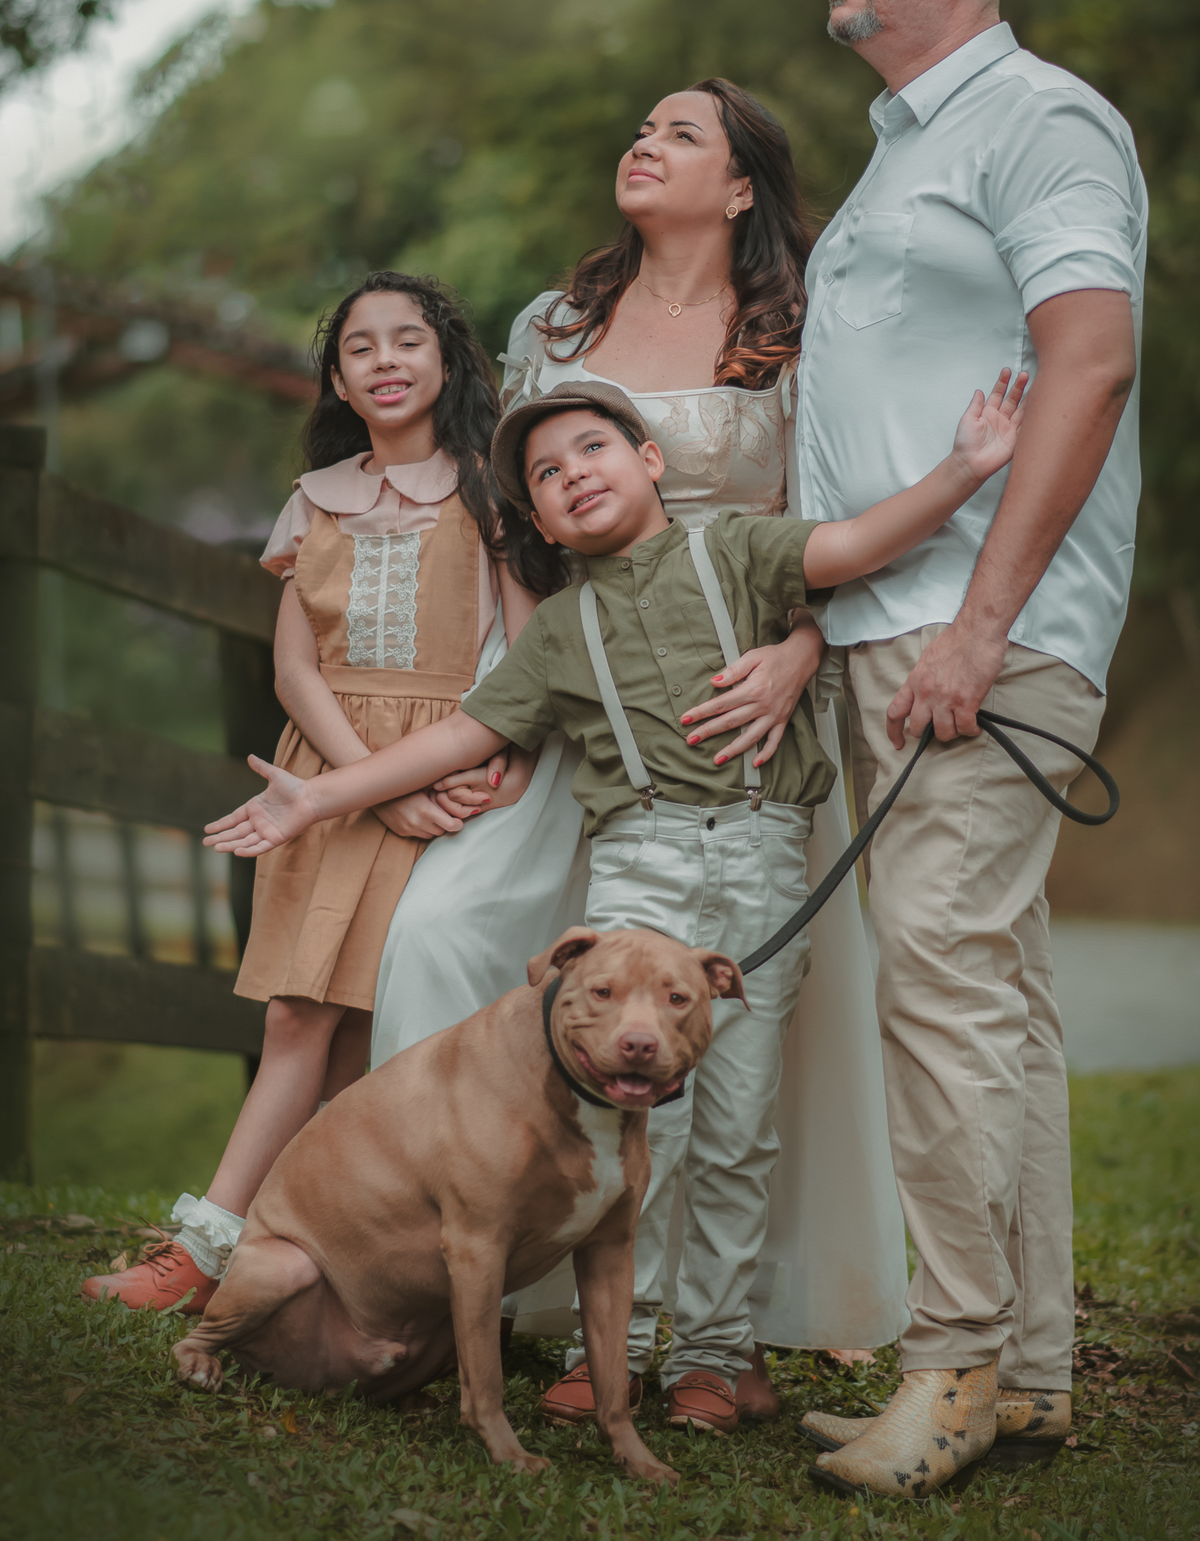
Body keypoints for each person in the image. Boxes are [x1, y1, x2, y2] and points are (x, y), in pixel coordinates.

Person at [204, 370, 1029, 1434]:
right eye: (545, 475)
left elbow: (855, 549)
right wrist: (317, 796)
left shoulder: (736, 553)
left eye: (591, 450)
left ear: (648, 461)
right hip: (640, 863)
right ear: (538, 520)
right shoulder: (557, 633)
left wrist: (964, 469)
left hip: (766, 858)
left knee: (737, 1126)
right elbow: (463, 737)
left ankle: (715, 1356)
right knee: (640, 1123)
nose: (570, 477)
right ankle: (621, 1349)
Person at [369, 77, 908, 1403]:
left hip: (746, 695)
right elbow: (515, 516)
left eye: (682, 133)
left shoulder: (800, 328)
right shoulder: (558, 322)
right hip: (575, 677)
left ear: (739, 186)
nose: (644, 143)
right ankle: (456, 1278)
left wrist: (804, 653)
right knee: (445, 927)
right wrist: (506, 684)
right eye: (643, 126)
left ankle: (712, 1337)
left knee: (727, 1040)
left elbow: (832, 513)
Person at [794, 0, 1146, 1498]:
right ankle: (1030, 1373)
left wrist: (984, 620)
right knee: (988, 991)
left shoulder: (1042, 121)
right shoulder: (900, 158)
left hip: (975, 635)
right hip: (905, 626)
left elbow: (1092, 359)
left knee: (936, 977)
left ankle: (950, 1369)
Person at [82, 271, 536, 1313]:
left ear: (451, 360)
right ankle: (201, 1250)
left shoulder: (490, 490)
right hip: (325, 766)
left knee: (378, 1026)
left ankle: (328, 1259)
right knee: (298, 1014)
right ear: (336, 377)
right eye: (360, 347)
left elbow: (525, 657)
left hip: (452, 766)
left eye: (407, 340)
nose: (385, 361)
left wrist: (449, 773)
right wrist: (362, 790)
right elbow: (296, 669)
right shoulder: (316, 497)